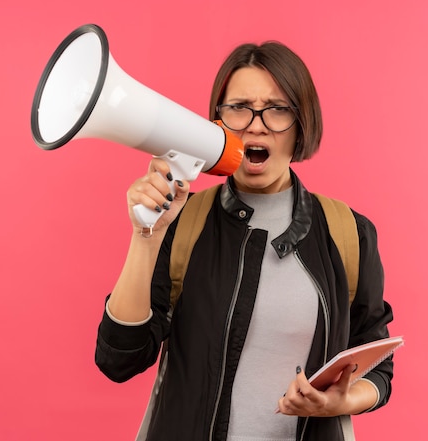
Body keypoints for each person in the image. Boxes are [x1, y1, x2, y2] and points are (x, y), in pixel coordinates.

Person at [95, 40, 394, 441]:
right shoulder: (183, 224)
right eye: (237, 107)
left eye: (277, 109)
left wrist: (340, 403)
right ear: (216, 122)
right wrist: (146, 235)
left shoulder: (350, 233)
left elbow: (377, 364)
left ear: (301, 123)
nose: (256, 124)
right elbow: (119, 360)